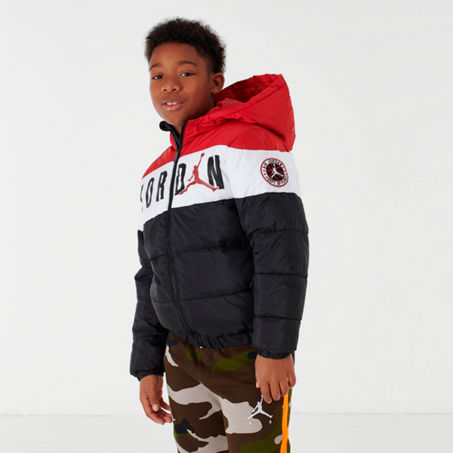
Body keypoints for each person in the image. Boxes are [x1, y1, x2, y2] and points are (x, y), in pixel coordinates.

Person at [129, 16, 309, 453]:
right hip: (181, 358)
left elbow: (280, 249)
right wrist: (148, 364)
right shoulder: (154, 175)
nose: (170, 85)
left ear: (215, 82)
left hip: (246, 356)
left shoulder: (246, 144)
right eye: (158, 75)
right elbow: (150, 275)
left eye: (186, 72)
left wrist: (275, 349)